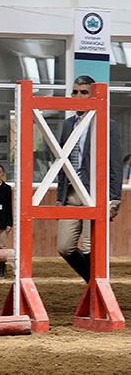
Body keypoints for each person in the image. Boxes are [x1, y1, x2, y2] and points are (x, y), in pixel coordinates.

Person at [56, 75, 122, 282]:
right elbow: (61, 161)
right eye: (74, 92)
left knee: (89, 246)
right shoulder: (67, 125)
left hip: (95, 193)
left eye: (83, 92)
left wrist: (114, 200)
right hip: (70, 193)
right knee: (64, 246)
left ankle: (95, 290)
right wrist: (60, 197)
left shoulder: (107, 124)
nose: (77, 96)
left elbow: (115, 164)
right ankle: (94, 284)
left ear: (93, 95)